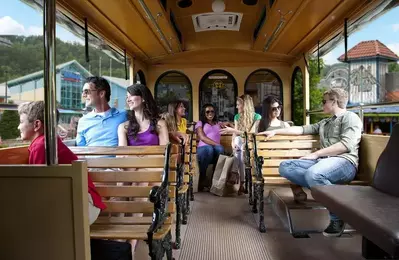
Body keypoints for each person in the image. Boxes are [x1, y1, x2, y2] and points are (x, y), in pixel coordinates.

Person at [258, 88, 362, 237]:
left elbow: (346, 145)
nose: (322, 104)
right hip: (323, 163)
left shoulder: (350, 118)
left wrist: (315, 154)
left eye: (324, 101)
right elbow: (301, 129)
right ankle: (335, 195)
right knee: (286, 167)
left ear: (334, 101)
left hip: (344, 162)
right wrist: (275, 131)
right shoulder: (325, 123)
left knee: (313, 174)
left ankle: (337, 216)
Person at [17, 101, 106, 225]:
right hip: (85, 203)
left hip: (83, 206)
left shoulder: (41, 146)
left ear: (37, 125)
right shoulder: (46, 143)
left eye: (21, 122)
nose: (18, 127)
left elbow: (38, 187)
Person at [220, 94, 261, 194]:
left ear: (245, 105)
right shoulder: (237, 117)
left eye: (239, 104)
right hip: (240, 147)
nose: (237, 107)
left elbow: (250, 135)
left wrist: (232, 130)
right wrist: (232, 142)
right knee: (240, 152)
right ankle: (242, 184)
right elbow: (235, 134)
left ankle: (235, 174)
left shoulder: (257, 117)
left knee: (240, 148)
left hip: (251, 144)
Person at [77, 76, 127, 147]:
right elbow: (80, 150)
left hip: (117, 158)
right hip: (90, 158)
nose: (83, 95)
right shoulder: (83, 121)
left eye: (87, 91)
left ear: (101, 94)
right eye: (83, 92)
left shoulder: (124, 116)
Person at [195, 104, 225, 192]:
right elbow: (202, 137)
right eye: (207, 111)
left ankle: (215, 179)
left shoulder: (218, 123)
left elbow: (230, 125)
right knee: (209, 149)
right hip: (203, 150)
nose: (210, 113)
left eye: (212, 111)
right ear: (203, 113)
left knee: (220, 150)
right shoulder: (200, 123)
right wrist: (216, 144)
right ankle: (202, 177)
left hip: (215, 151)